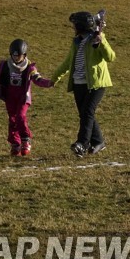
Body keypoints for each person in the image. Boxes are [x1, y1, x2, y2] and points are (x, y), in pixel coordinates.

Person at [48, 11, 115, 156]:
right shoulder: (77, 42)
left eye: (74, 25)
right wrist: (54, 78)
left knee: (87, 112)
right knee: (85, 114)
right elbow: (68, 62)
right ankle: (98, 142)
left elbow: (110, 57)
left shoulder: (98, 37)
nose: (73, 27)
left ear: (80, 26)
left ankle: (82, 144)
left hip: (96, 83)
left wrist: (101, 42)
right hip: (79, 84)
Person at [0, 39, 52, 156]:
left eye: (18, 56)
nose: (16, 58)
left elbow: (37, 79)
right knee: (12, 120)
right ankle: (15, 144)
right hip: (10, 96)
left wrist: (48, 83)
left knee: (20, 116)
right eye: (13, 55)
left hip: (23, 97)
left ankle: (25, 139)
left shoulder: (30, 67)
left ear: (24, 55)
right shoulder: (5, 65)